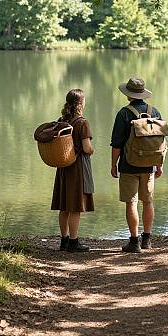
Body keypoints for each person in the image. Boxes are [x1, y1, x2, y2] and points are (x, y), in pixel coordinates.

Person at [110, 77, 163, 253]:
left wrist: (113, 165)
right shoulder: (154, 112)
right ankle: (147, 239)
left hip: (128, 165)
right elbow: (160, 142)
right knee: (148, 201)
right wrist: (159, 165)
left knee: (131, 203)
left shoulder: (123, 114)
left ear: (128, 94)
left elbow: (116, 144)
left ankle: (134, 242)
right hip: (149, 165)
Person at [51, 89, 94, 252]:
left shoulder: (62, 120)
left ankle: (64, 240)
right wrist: (91, 150)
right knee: (75, 206)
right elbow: (86, 148)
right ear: (80, 103)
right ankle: (74, 242)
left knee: (64, 205)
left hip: (63, 168)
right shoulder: (82, 123)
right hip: (77, 168)